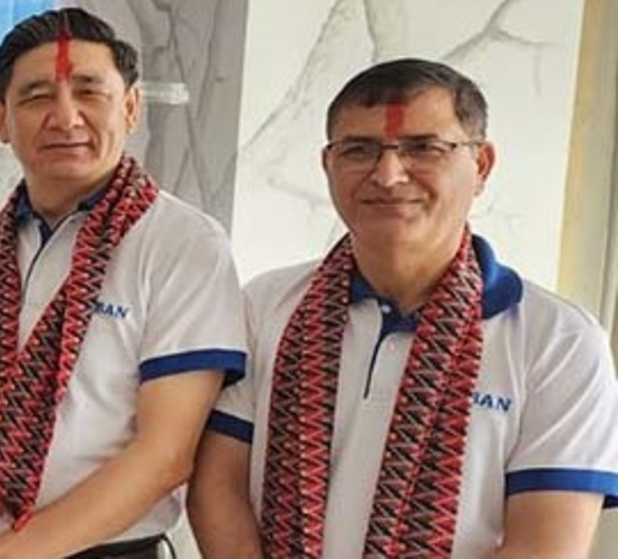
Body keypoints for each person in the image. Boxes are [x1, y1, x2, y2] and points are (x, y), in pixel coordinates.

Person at [188, 58, 618, 557]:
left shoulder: (558, 341)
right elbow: (218, 486)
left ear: (481, 165)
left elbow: (544, 546)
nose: (388, 175)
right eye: (359, 149)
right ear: (327, 165)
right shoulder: (266, 307)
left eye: (423, 148)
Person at [0, 7, 245, 559]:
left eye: (89, 92)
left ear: (131, 108)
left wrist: (9, 556)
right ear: (1, 118)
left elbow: (165, 455)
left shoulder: (182, 243)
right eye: (37, 96)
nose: (65, 118)